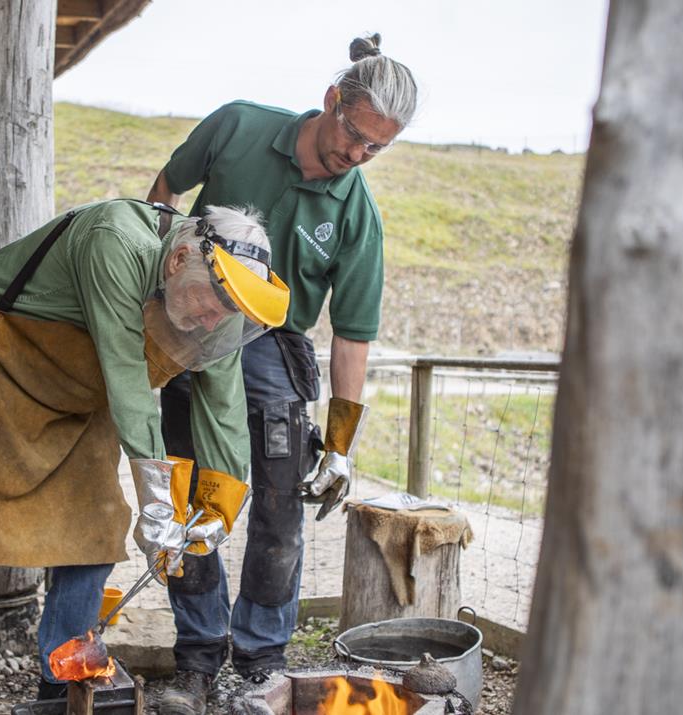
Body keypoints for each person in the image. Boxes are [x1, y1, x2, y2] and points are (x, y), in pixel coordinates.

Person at [0, 199, 290, 714]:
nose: (211, 321)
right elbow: (128, 379)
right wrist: (161, 507)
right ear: (178, 260)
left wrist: (219, 505)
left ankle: (62, 683)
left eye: (226, 314)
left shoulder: (220, 299)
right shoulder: (115, 241)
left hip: (83, 390)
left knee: (92, 534)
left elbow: (223, 405)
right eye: (209, 303)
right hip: (0, 361)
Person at [146, 34, 417, 714]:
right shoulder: (238, 126)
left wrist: (343, 446)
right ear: (333, 101)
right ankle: (198, 656)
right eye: (355, 134)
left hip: (275, 348)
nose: (358, 156)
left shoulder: (357, 214)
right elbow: (166, 189)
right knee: (189, 493)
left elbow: (353, 335)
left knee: (277, 507)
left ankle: (259, 660)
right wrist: (161, 276)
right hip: (196, 327)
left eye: (375, 149)